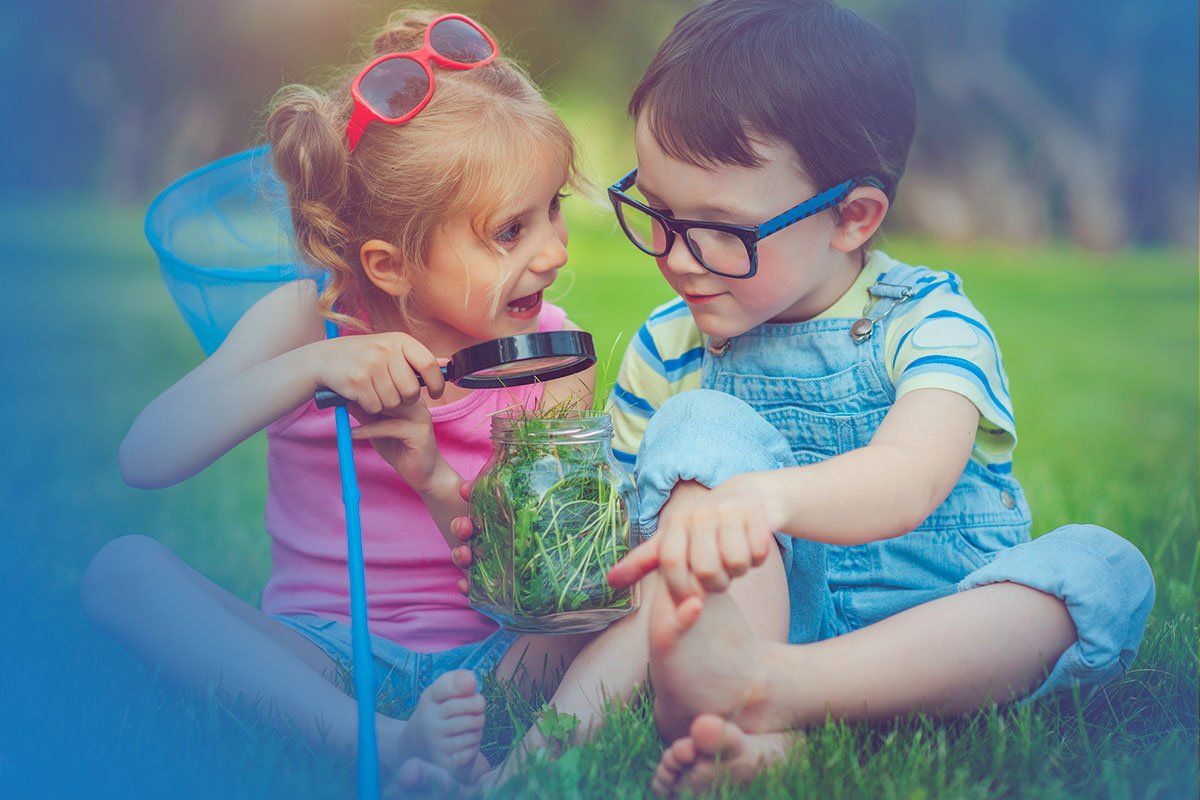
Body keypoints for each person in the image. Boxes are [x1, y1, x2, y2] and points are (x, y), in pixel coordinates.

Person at [597, 1, 1157, 795]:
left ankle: (774, 695)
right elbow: (631, 542)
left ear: (851, 218)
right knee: (698, 423)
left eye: (720, 227)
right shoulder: (669, 344)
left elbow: (910, 475)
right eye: (655, 208)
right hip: (756, 620)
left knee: (1107, 569)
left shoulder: (928, 322)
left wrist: (767, 498)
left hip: (942, 621)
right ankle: (749, 704)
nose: (675, 256)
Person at [79, 9, 595, 795]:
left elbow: (541, 585)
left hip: (499, 652)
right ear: (389, 265)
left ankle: (463, 745)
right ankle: (386, 744)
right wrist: (316, 363)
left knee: (606, 605)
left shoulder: (549, 354)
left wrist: (429, 476)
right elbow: (146, 455)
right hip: (322, 653)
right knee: (121, 572)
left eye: (552, 208)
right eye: (511, 230)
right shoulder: (305, 318)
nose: (554, 250)